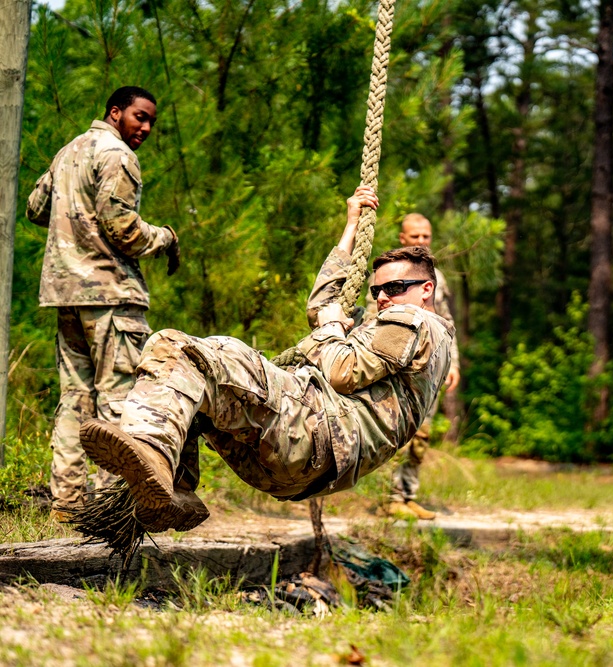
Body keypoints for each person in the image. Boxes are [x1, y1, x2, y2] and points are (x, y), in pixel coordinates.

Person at [78, 185, 455, 533]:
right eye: (377, 291)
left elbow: (340, 371)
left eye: (394, 288)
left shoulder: (415, 320)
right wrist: (352, 226)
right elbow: (322, 308)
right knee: (196, 390)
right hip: (299, 466)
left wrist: (329, 329)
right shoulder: (406, 335)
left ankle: (156, 459)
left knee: (177, 349)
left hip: (315, 432)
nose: (382, 297)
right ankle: (175, 493)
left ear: (426, 289)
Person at [26, 86, 180, 520]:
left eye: (151, 121)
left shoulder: (68, 151)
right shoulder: (117, 155)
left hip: (65, 293)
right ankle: (109, 510)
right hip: (110, 295)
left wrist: (71, 221)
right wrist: (166, 238)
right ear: (116, 113)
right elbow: (124, 230)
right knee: (118, 403)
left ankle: (69, 504)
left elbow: (37, 208)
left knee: (74, 399)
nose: (145, 128)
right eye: (139, 117)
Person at [366, 213, 460, 520]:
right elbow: (373, 321)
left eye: (426, 237)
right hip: (397, 365)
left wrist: (452, 362)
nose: (421, 241)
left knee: (421, 436)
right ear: (402, 238)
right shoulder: (387, 276)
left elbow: (447, 321)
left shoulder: (436, 278)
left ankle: (408, 496)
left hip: (428, 366)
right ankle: (389, 497)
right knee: (397, 432)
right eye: (415, 236)